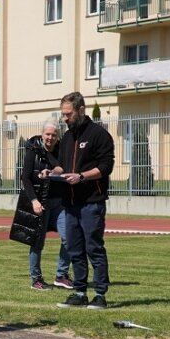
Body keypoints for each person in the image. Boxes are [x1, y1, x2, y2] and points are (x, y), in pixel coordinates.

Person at [43, 91, 114, 309]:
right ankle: (80, 292)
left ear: (81, 110)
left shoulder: (99, 135)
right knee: (75, 249)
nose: (65, 118)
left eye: (68, 114)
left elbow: (105, 167)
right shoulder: (66, 138)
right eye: (63, 115)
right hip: (70, 204)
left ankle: (100, 295)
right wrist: (50, 172)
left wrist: (81, 177)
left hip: (91, 203)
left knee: (94, 248)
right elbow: (63, 166)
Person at [20, 119, 73, 291]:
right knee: (38, 242)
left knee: (69, 238)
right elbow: (25, 178)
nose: (50, 138)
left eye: (54, 135)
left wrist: (51, 172)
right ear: (42, 135)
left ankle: (61, 275)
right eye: (47, 134)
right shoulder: (32, 150)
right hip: (40, 202)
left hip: (59, 203)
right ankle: (36, 279)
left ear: (58, 137)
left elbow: (61, 168)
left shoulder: (60, 150)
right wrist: (34, 201)